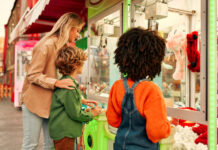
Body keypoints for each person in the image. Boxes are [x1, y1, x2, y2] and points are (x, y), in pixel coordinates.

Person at [20, 12, 97, 150]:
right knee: (30, 145)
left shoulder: (64, 47)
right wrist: (56, 83)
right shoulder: (46, 45)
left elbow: (65, 78)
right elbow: (32, 74)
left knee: (50, 145)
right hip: (34, 103)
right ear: (69, 28)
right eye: (77, 31)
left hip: (51, 105)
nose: (78, 35)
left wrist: (78, 98)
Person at [106, 27, 171, 150]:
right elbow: (156, 133)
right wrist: (167, 125)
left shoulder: (117, 86)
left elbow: (112, 120)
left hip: (120, 145)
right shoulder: (151, 90)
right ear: (154, 60)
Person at [49, 46, 102, 150]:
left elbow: (69, 105)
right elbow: (76, 114)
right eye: (82, 62)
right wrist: (92, 113)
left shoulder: (65, 82)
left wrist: (81, 101)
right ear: (76, 65)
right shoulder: (70, 86)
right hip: (65, 133)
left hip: (63, 132)